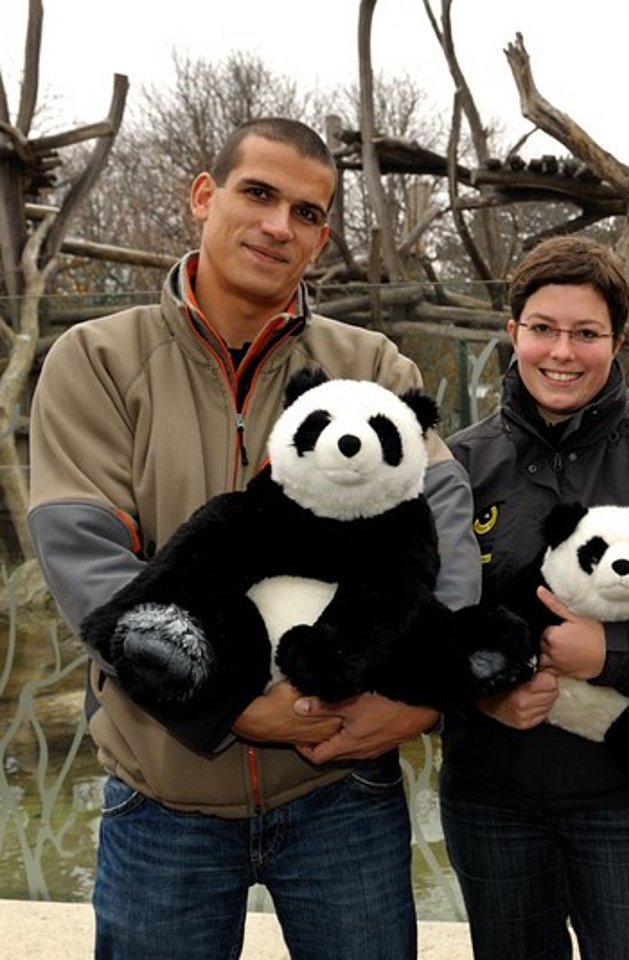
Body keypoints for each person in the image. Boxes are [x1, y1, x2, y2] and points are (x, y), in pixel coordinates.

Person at [27, 117, 482, 959]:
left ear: (322, 237)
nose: (280, 225)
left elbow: (442, 534)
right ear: (205, 195)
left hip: (343, 787)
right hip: (167, 792)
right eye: (259, 194)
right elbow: (91, 566)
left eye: (308, 213)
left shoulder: (373, 367)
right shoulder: (95, 360)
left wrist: (422, 695)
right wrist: (231, 705)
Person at [442, 235, 629, 960]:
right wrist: (480, 693)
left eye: (586, 333)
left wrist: (612, 652)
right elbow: (419, 623)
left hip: (626, 796)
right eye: (542, 329)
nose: (561, 352)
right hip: (491, 793)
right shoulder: (459, 465)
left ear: (618, 341)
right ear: (512, 333)